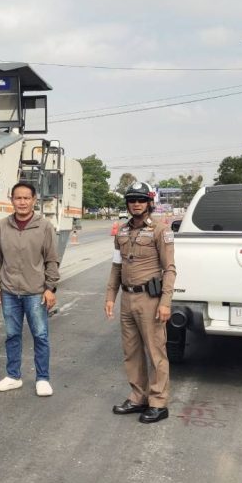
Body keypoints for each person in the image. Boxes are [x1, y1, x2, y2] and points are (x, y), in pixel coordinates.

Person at [104, 181, 177, 423]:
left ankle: (158, 403)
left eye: (141, 200)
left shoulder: (160, 231)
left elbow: (169, 269)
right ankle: (138, 397)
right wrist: (110, 296)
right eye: (132, 200)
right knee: (131, 351)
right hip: (127, 299)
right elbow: (116, 267)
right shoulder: (122, 232)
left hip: (150, 300)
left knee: (155, 352)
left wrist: (165, 302)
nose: (136, 204)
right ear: (127, 204)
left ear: (149, 203)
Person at [0, 181, 60, 397]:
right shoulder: (2, 226)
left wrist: (50, 288)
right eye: (18, 198)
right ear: (12, 200)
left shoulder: (44, 226)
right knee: (12, 335)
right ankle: (13, 376)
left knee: (40, 335)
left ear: (34, 200)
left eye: (26, 198)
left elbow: (52, 259)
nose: (22, 202)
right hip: (9, 291)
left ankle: (43, 379)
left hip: (36, 292)